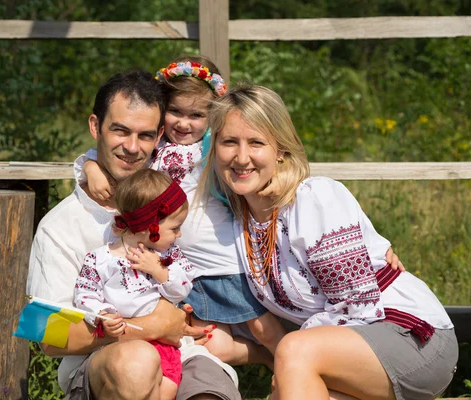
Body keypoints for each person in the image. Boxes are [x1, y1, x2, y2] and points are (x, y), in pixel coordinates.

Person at [197, 84, 459, 400]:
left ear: (280, 149)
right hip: (345, 354)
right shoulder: (240, 221)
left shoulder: (313, 199)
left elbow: (356, 305)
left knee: (293, 354)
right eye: (229, 142)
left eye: (256, 142)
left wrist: (289, 356)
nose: (241, 157)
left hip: (408, 335)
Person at [27, 68, 241, 400]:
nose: (131, 147)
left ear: (159, 138)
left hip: (183, 352)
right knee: (136, 362)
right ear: (95, 126)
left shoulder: (175, 195)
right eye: (120, 131)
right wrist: (154, 326)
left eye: (144, 136)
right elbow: (46, 335)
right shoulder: (60, 226)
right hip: (101, 362)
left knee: (208, 393)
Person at [77, 55, 287, 369]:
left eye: (197, 115)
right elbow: (101, 155)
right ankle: (266, 362)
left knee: (264, 328)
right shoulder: (153, 149)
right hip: (182, 269)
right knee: (209, 342)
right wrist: (91, 168)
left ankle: (291, 367)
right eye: (175, 111)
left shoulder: (210, 148)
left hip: (224, 263)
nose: (184, 123)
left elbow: (254, 161)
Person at [74, 169, 194, 400]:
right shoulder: (100, 260)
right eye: (175, 228)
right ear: (151, 228)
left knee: (166, 390)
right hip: (121, 346)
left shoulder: (169, 257)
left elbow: (183, 289)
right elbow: (85, 294)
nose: (179, 235)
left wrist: (159, 271)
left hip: (164, 345)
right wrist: (103, 315)